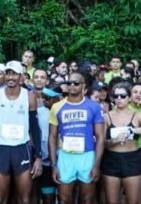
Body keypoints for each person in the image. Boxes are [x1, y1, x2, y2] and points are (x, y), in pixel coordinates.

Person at [0, 61, 42, 204]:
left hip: (22, 148)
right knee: (0, 199)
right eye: (8, 73)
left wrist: (38, 156)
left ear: (21, 77)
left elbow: (35, 128)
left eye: (14, 74)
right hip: (0, 148)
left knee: (24, 199)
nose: (10, 77)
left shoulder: (29, 96)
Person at [48, 72, 105, 204]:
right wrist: (53, 165)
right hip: (65, 156)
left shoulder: (94, 106)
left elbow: (100, 136)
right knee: (64, 199)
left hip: (87, 155)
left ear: (83, 86)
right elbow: (52, 137)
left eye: (76, 83)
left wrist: (96, 165)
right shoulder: (57, 107)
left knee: (87, 200)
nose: (72, 85)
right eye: (69, 83)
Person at [100, 82, 141, 204]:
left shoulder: (137, 115)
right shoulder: (106, 116)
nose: (119, 99)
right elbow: (102, 142)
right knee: (112, 201)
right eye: (116, 96)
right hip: (111, 159)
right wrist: (115, 140)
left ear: (129, 97)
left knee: (134, 200)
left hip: (132, 159)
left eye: (123, 96)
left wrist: (135, 130)